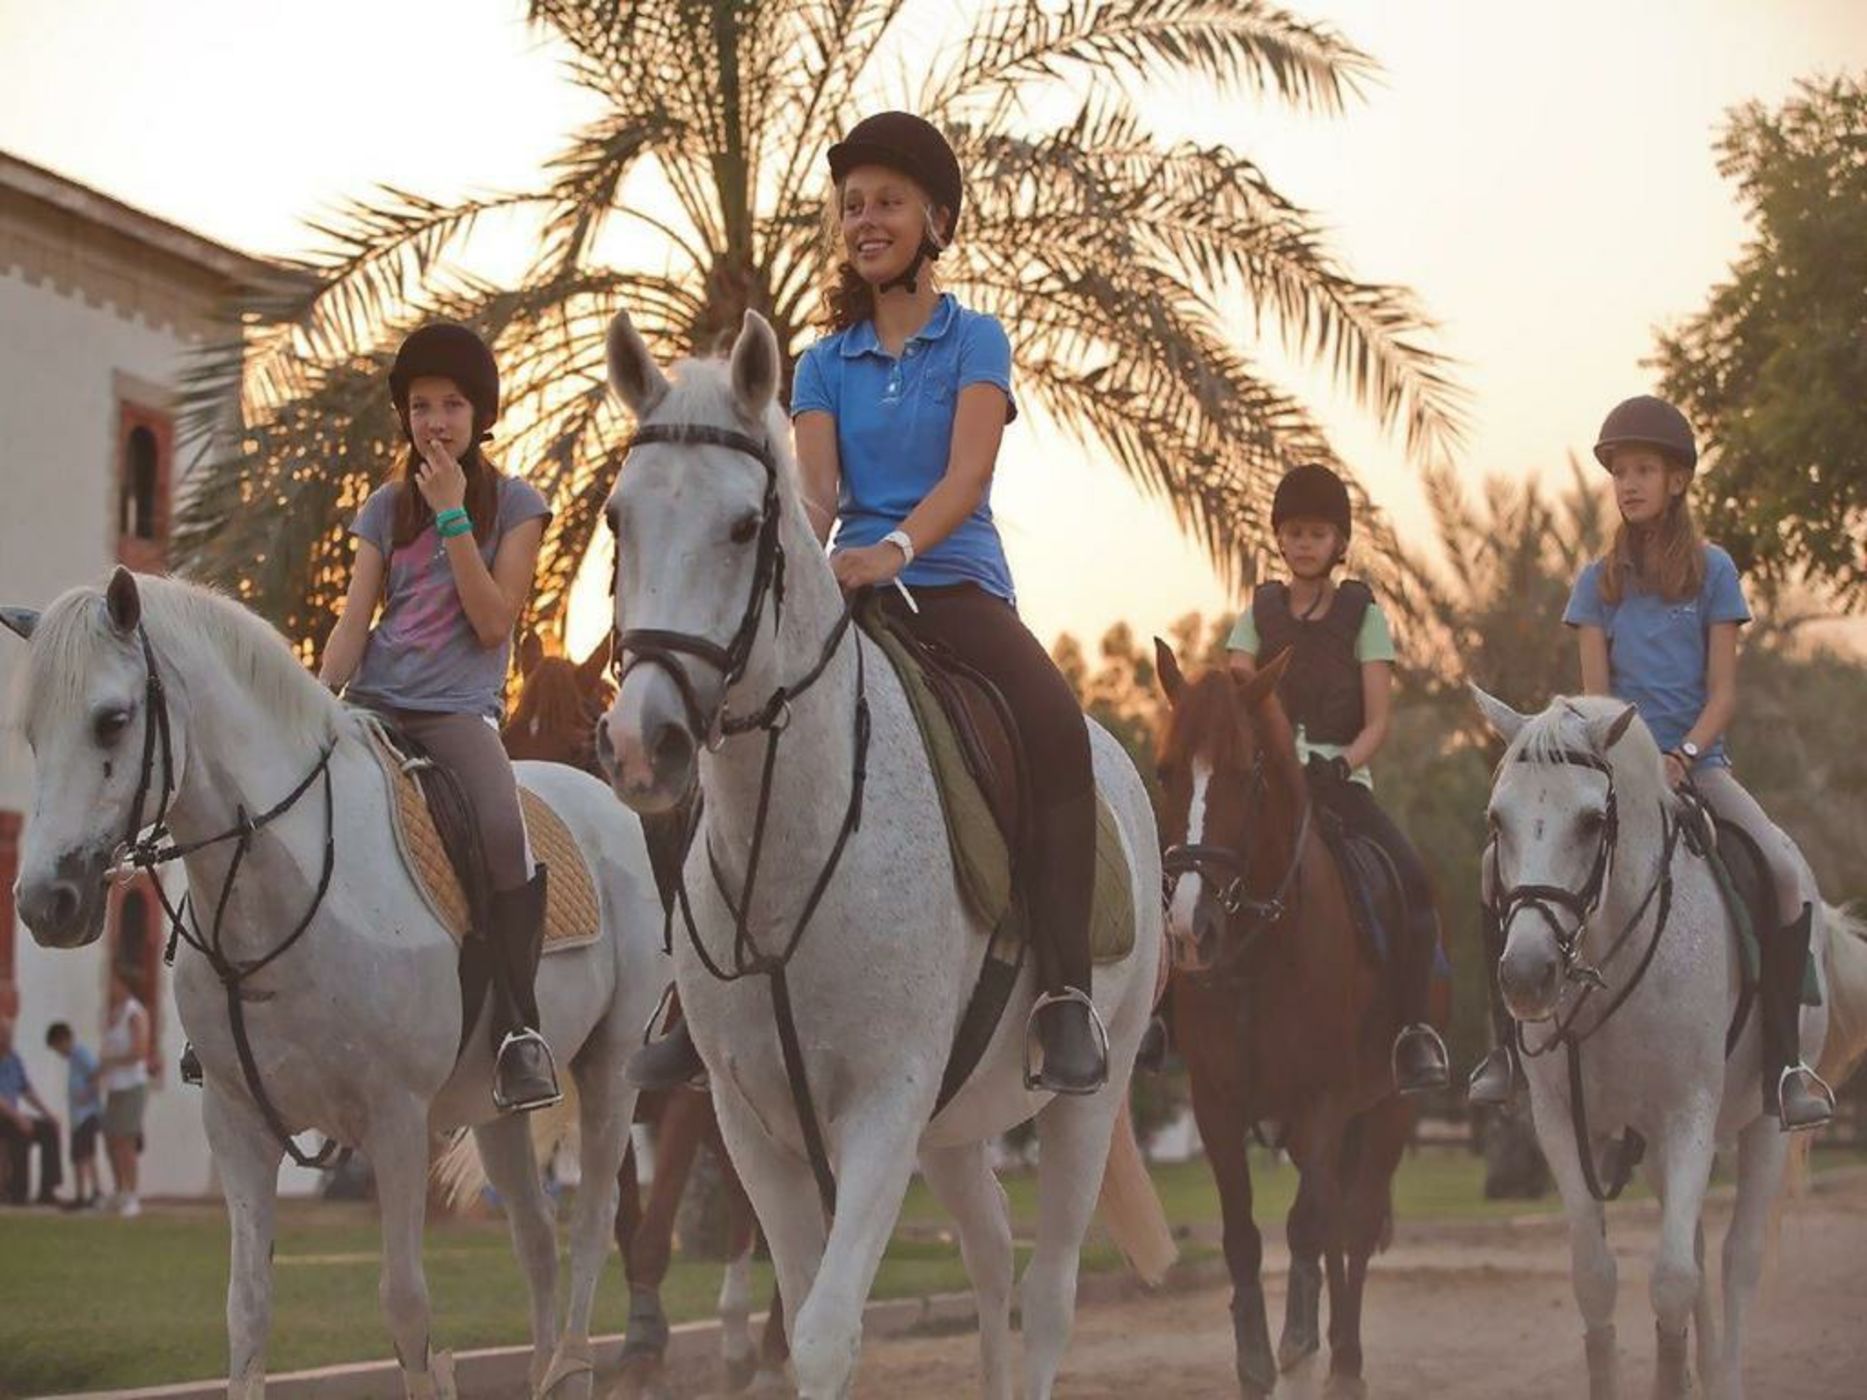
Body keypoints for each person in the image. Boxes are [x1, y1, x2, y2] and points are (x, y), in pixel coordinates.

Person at [627, 111, 1108, 1095]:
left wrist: (894, 548)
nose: (867, 218)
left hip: (956, 586)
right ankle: (689, 984)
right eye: (852, 205)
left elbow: (966, 478)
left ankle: (1063, 992)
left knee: (1056, 726)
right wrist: (813, 555)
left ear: (936, 217)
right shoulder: (820, 364)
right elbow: (813, 496)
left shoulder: (975, 340)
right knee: (713, 722)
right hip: (845, 587)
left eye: (888, 201)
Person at [1475, 395, 1831, 1129]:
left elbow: (1723, 691)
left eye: (1644, 470)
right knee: (1493, 873)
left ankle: (1785, 1065)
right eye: (1619, 472)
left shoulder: (1713, 572)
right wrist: (1627, 769)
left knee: (1786, 874)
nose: (1629, 483)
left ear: (1676, 482)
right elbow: (1596, 706)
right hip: (1614, 777)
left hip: (1701, 768)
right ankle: (1503, 1050)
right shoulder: (1594, 584)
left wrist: (1683, 756)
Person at [318, 322, 560, 1114]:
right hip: (378, 704)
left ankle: (519, 1029)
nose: (436, 422)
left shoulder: (516, 505)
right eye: (421, 406)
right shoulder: (386, 509)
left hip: (457, 712)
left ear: (479, 414)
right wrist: (319, 702)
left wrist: (454, 515)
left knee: (500, 829)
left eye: (452, 405)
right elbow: (356, 620)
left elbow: (494, 623)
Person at [1227, 464, 1451, 1095]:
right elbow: (1237, 686)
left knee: (1410, 880)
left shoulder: (1363, 615)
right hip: (1270, 784)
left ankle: (1413, 1032)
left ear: (1339, 545)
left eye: (1317, 533)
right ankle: (1169, 1021)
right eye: (1294, 531)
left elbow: (1379, 720)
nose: (1304, 543)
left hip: (1339, 782)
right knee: (1199, 869)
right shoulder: (1259, 611)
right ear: (1278, 537)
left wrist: (1342, 762)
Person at [99, 966, 150, 1216]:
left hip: (132, 1085)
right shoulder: (114, 1014)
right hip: (115, 1085)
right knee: (110, 1139)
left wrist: (111, 1061)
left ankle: (132, 1195)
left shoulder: (134, 1013)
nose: (110, 988)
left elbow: (140, 1051)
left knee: (126, 1141)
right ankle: (119, 1190)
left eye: (115, 982)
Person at [0, 1016, 62, 1205]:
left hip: (12, 1115)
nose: (10, 1039)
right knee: (20, 1131)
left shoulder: (14, 1058)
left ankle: (47, 1190)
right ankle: (18, 1192)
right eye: (5, 1035)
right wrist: (18, 1117)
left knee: (48, 1129)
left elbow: (26, 1090)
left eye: (11, 1035)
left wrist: (48, 1113)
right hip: (5, 1114)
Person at [45, 1021, 101, 1209]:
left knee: (81, 1155)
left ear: (63, 1041)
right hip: (80, 1116)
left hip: (86, 1114)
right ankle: (93, 1191)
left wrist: (88, 1094)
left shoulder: (80, 1054)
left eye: (57, 1048)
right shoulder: (74, 1059)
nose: (59, 1053)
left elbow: (96, 1074)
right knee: (85, 1154)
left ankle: (83, 1195)